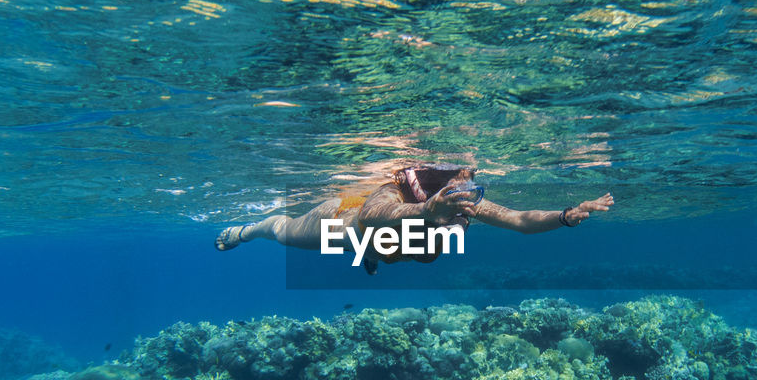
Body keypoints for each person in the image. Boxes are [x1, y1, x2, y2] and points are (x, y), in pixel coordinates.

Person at [215, 165, 613, 274]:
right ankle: (245, 230)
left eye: (467, 187)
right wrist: (425, 211)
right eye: (452, 190)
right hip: (343, 225)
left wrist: (564, 215)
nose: (462, 197)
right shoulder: (394, 189)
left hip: (389, 244)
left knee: (382, 249)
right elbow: (374, 217)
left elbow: (521, 220)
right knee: (282, 233)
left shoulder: (463, 203)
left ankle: (373, 258)